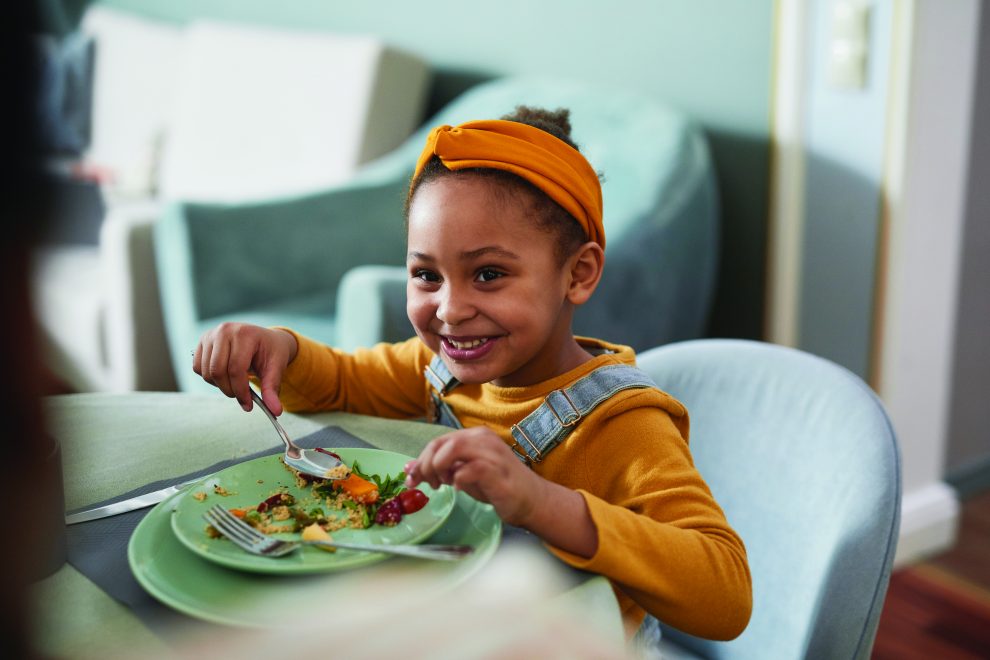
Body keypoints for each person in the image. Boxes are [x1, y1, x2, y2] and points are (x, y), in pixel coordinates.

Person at [193, 106, 752, 642]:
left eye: (488, 274)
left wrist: (538, 502)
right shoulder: (440, 369)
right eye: (426, 274)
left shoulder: (623, 424)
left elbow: (725, 594)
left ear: (577, 274)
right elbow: (339, 382)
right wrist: (279, 349)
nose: (450, 309)